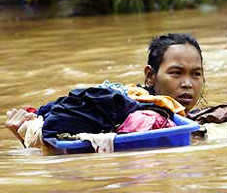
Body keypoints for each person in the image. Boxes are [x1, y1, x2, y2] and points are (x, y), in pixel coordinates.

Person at [5, 33, 205, 148]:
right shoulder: (123, 113)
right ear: (150, 76)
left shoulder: (197, 120)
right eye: (176, 73)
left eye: (196, 74)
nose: (188, 83)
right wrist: (24, 137)